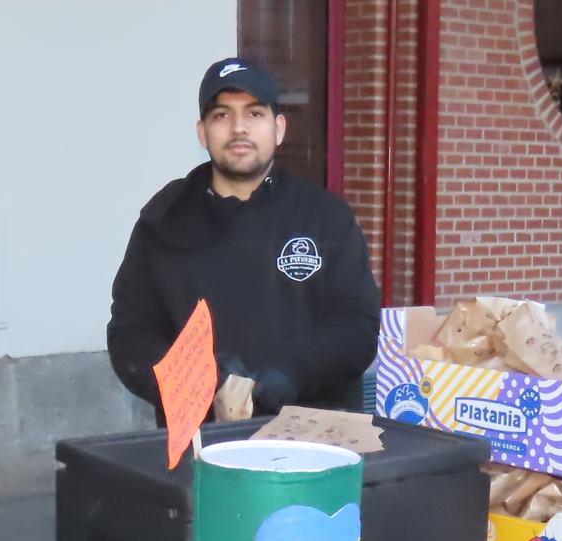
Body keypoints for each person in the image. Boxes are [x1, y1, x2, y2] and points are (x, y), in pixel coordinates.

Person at [107, 56, 380, 418]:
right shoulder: (164, 221)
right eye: (222, 115)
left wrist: (286, 375)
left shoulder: (324, 217)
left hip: (315, 439)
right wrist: (203, 387)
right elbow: (131, 334)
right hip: (204, 444)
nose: (239, 128)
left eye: (254, 114)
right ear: (203, 132)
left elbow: (356, 326)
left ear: (278, 129)